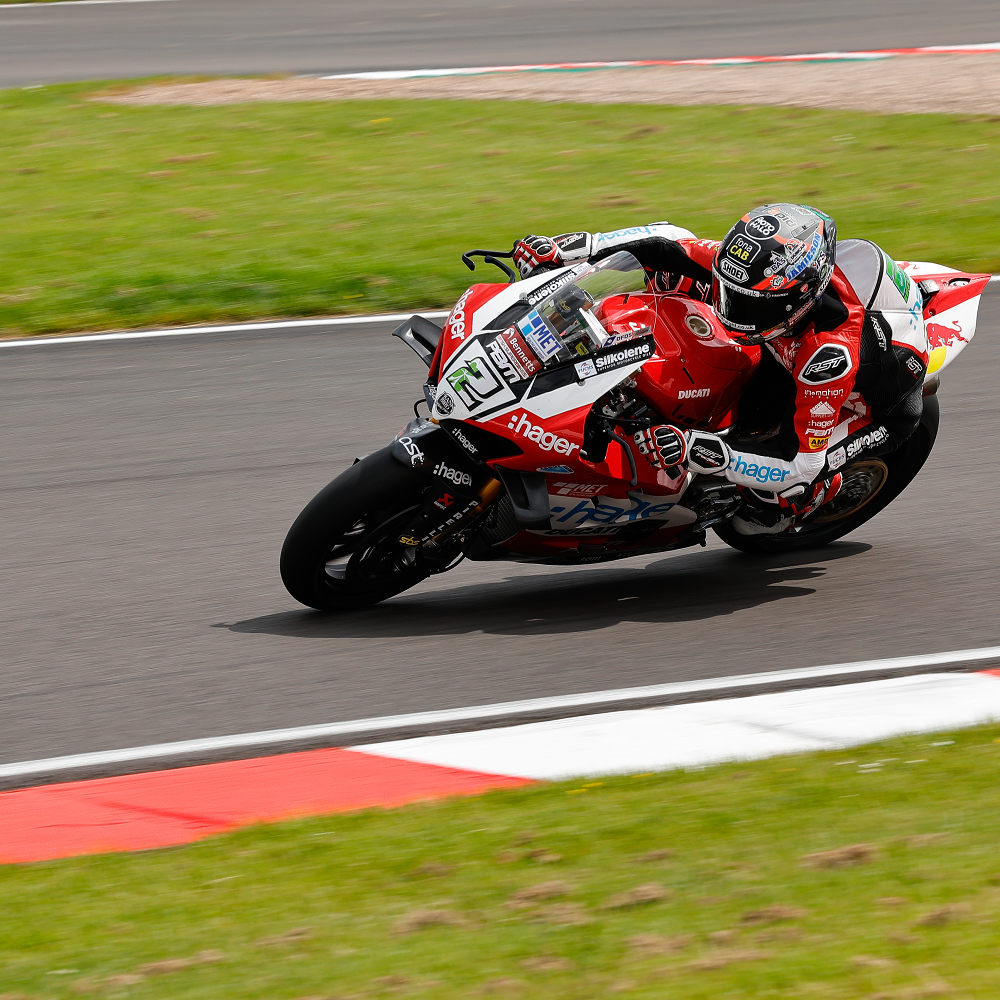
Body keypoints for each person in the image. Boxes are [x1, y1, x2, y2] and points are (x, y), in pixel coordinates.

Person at [511, 205, 929, 534]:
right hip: (785, 349)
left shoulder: (828, 358)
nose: (729, 310)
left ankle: (803, 506)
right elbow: (669, 242)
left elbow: (800, 461)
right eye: (731, 293)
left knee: (784, 493)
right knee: (672, 277)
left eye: (745, 303)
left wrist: (697, 449)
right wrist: (575, 247)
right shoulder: (761, 274)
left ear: (797, 298)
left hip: (875, 410)